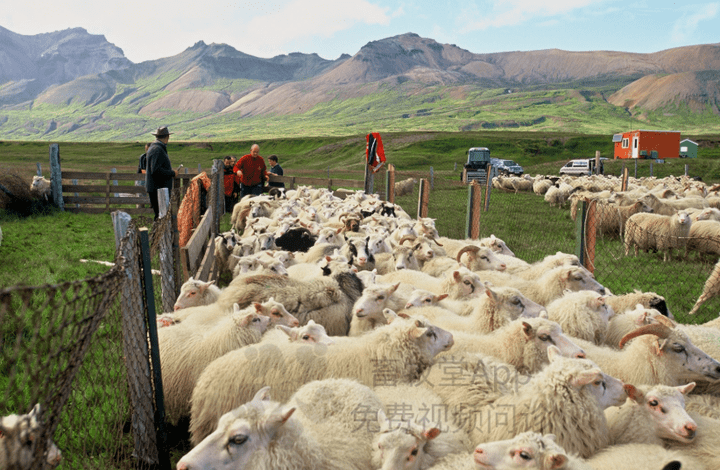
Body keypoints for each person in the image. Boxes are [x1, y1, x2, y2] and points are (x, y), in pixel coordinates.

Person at [146, 126, 182, 219]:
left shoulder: (155, 147)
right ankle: (156, 234)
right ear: (167, 137)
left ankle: (157, 233)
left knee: (161, 216)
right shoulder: (157, 149)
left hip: (157, 188)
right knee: (160, 216)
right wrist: (172, 173)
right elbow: (155, 170)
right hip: (158, 188)